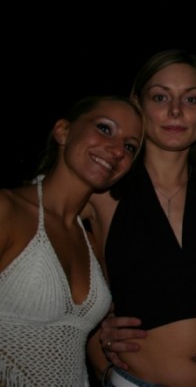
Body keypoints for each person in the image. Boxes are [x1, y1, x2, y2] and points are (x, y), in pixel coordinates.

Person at [83, 49, 196, 387]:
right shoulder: (101, 192)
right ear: (137, 105)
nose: (176, 110)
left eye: (191, 99)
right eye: (160, 97)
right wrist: (94, 340)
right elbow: (48, 270)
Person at [0, 95, 143, 387]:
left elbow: (76, 336)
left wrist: (109, 360)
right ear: (63, 131)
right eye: (105, 128)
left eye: (130, 146)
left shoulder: (91, 244)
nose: (117, 150)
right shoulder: (7, 210)